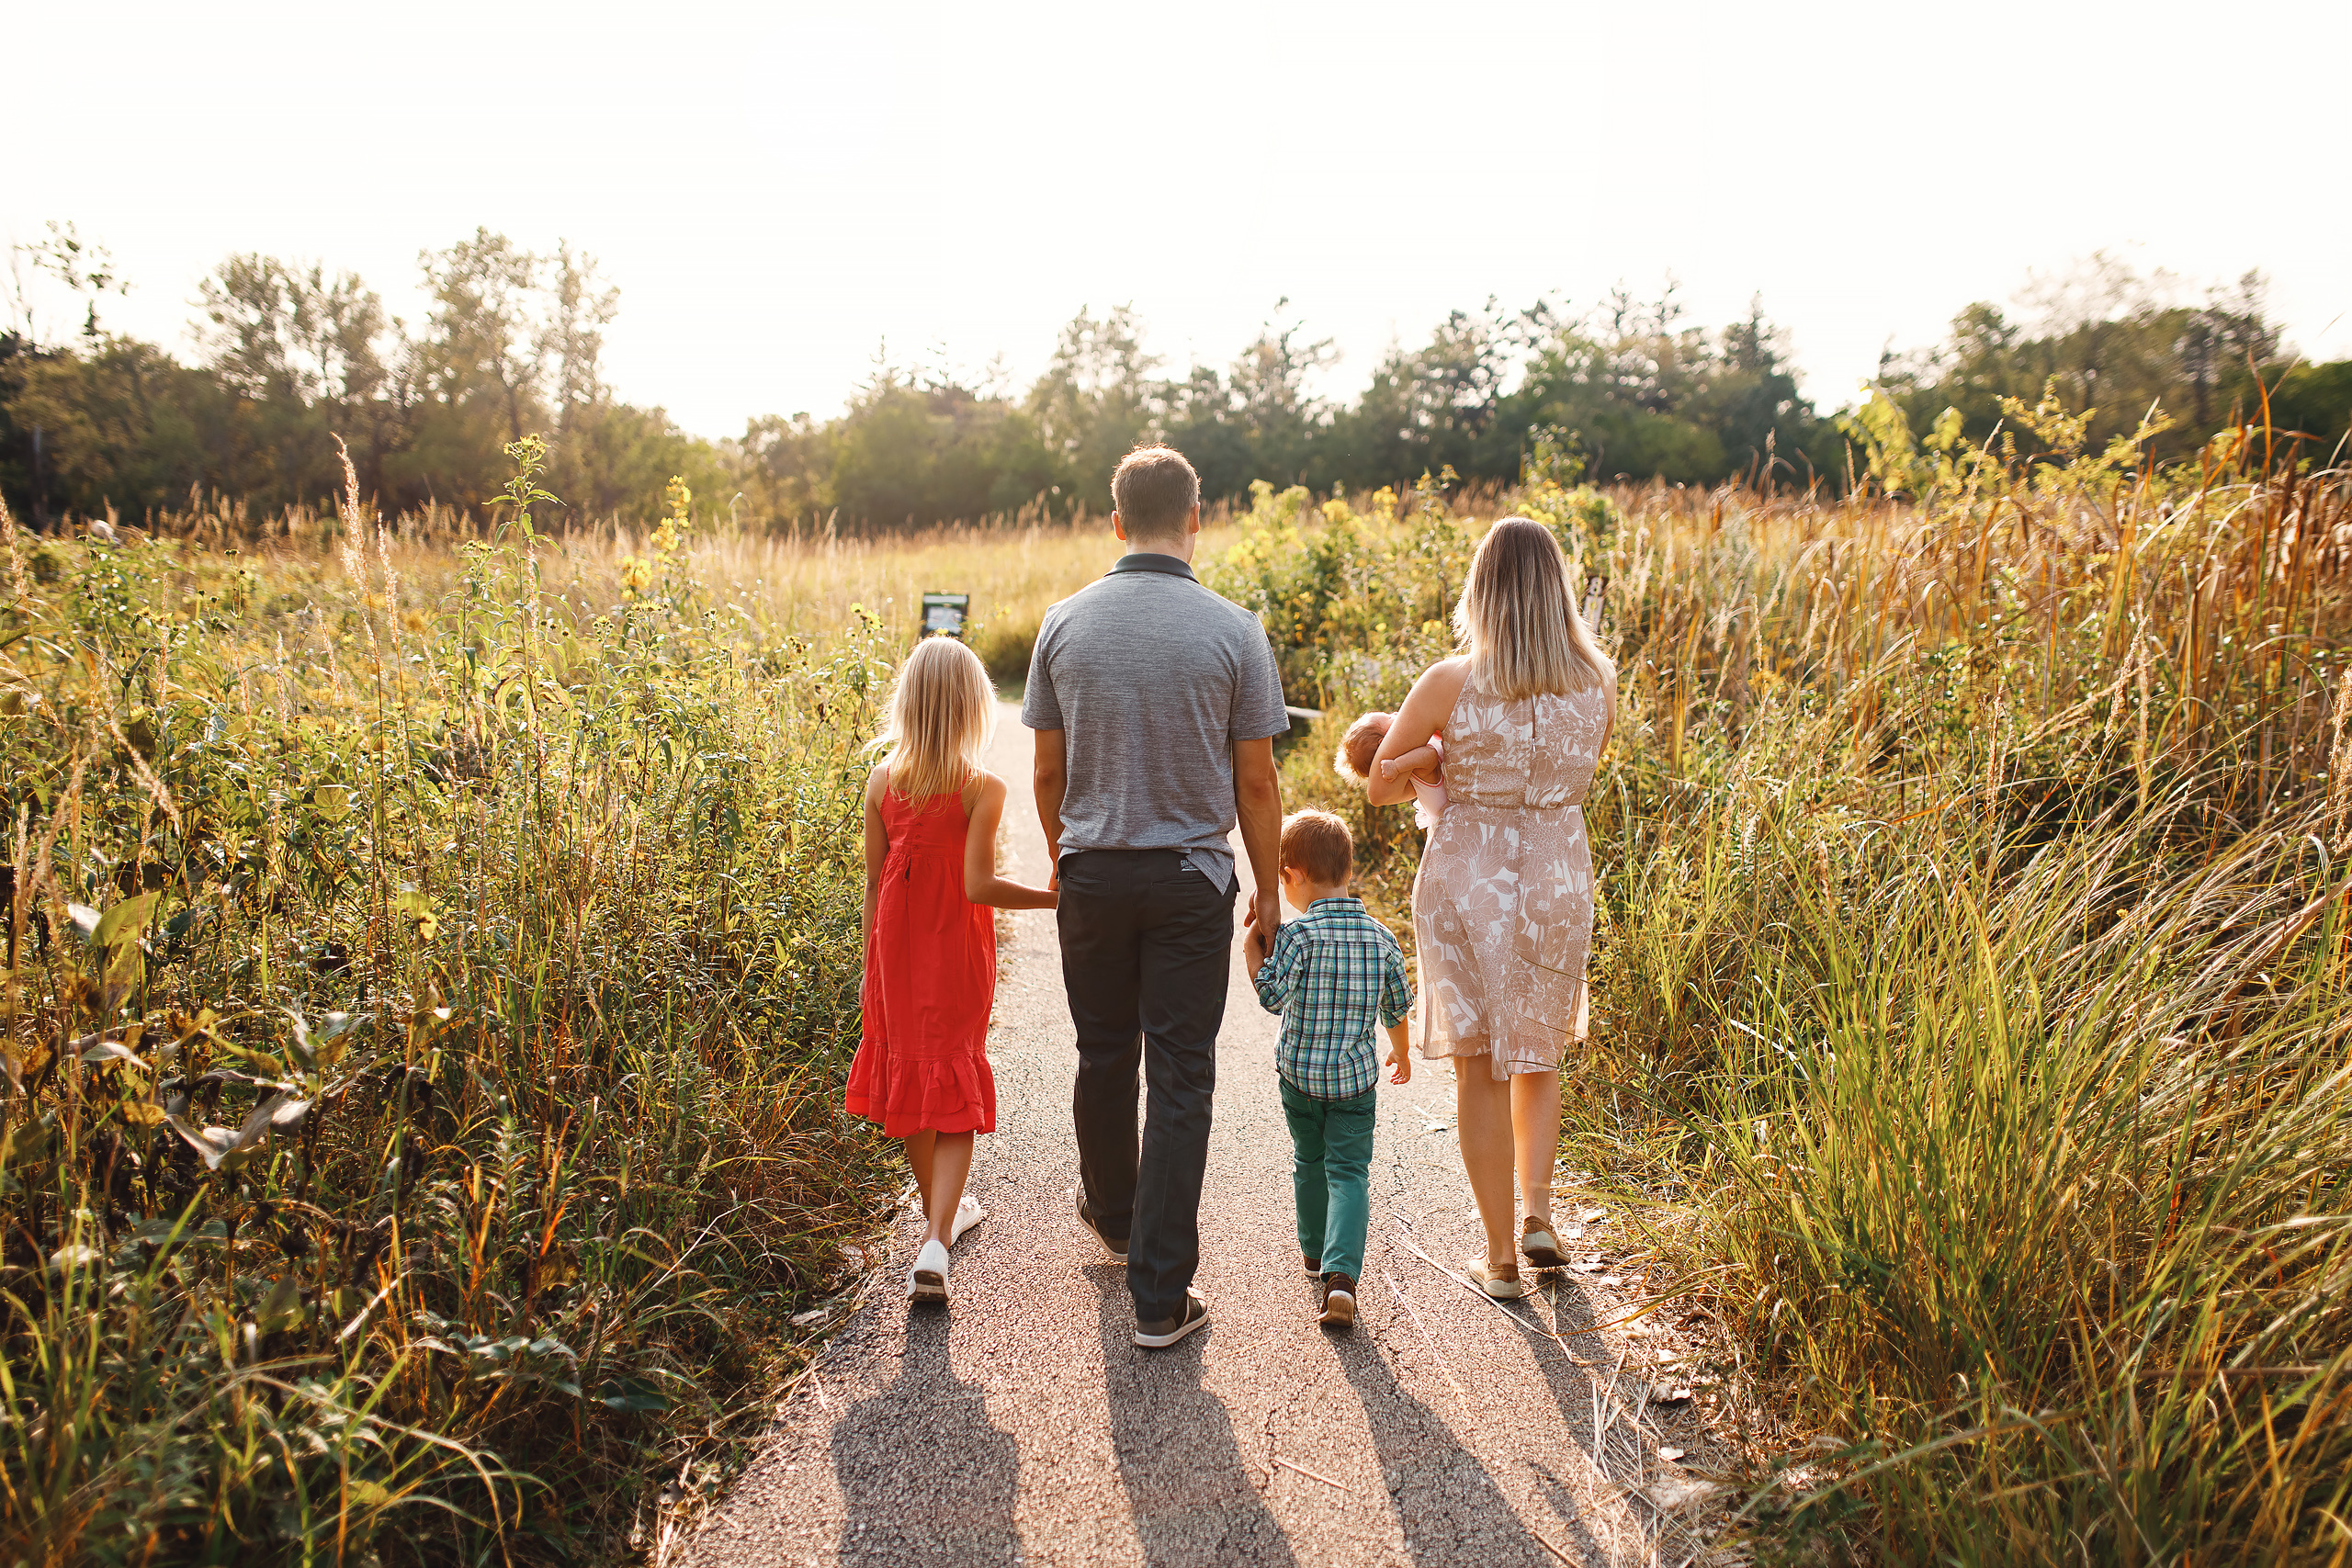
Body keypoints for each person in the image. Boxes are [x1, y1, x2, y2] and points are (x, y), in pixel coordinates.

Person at [1023, 445, 1289, 1350]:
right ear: (1196, 519)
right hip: (1188, 883)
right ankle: (1160, 1296)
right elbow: (1257, 783)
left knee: (1103, 1054)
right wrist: (1267, 894)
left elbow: (1047, 768)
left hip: (1093, 872)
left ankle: (1114, 1215)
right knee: (1181, 1076)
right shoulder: (1233, 630)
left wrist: (1068, 858)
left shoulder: (1063, 623)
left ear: (1114, 521)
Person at [1363, 518, 1614, 1301]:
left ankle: (1500, 1256)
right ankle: (1539, 1211)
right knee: (1538, 1052)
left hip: (1469, 868)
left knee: (1477, 1064)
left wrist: (1431, 757)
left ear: (1482, 588)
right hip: (1556, 870)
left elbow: (1378, 784)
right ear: (1557, 587)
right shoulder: (1597, 678)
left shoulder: (1452, 680)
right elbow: (1577, 771)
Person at [848, 636, 1058, 1304]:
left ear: (908, 702)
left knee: (911, 1079)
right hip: (955, 956)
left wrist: (867, 969)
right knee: (955, 1077)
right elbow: (978, 885)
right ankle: (937, 1235)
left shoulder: (881, 781)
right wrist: (1053, 896)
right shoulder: (982, 789)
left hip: (894, 955)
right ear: (973, 709)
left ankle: (939, 1222)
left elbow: (874, 886)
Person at [1250, 809, 1413, 1330]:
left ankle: (1315, 1252)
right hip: (1354, 1083)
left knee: (1308, 1160)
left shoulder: (1298, 937)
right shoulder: (1382, 939)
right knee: (1349, 1173)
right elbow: (1396, 1007)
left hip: (1299, 1077)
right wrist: (1401, 1052)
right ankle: (1341, 1278)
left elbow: (1272, 997)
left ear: (1293, 873)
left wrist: (1251, 949)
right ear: (1346, 869)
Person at [1336, 711, 1446, 828]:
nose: (1395, 713)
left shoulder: (1409, 766)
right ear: (1385, 743)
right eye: (1389, 717)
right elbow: (1430, 756)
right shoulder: (1411, 766)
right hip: (1450, 815)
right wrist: (1396, 766)